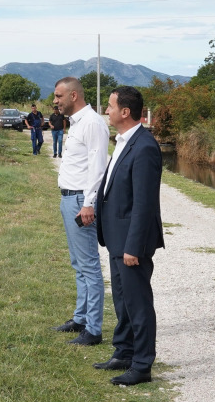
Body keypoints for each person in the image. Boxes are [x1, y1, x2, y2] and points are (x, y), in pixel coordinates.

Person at [94, 86, 164, 385]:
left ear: (125, 112)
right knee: (122, 301)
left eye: (109, 106)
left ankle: (142, 364)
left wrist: (133, 246)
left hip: (131, 242)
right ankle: (123, 351)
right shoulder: (124, 141)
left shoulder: (145, 146)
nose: (106, 111)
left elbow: (145, 204)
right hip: (116, 237)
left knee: (138, 303)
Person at [50, 78, 110, 346]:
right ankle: (81, 318)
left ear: (73, 95)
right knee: (79, 265)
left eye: (58, 96)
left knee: (89, 266)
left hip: (80, 202)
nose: (55, 101)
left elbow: (98, 167)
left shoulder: (93, 123)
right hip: (69, 199)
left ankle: (93, 329)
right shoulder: (76, 123)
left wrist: (88, 203)